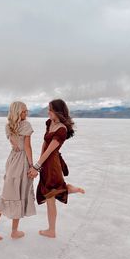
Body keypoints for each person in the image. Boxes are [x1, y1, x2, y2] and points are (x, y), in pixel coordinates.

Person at [28, 99, 85, 238]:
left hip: (52, 164)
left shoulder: (62, 130)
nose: (48, 112)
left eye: (50, 109)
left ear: (57, 111)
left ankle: (51, 230)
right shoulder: (50, 123)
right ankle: (68, 188)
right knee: (50, 193)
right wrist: (39, 163)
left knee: (50, 196)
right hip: (45, 163)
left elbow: (50, 151)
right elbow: (44, 145)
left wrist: (37, 166)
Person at [0, 101, 36, 240]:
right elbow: (27, 147)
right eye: (23, 111)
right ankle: (11, 231)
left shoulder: (9, 126)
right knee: (16, 193)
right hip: (22, 161)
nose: (26, 114)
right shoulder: (26, 125)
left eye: (26, 111)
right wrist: (32, 165)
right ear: (17, 112)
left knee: (9, 194)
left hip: (12, 161)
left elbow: (14, 145)